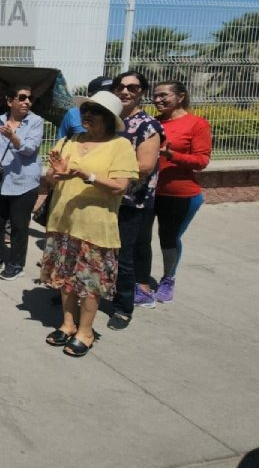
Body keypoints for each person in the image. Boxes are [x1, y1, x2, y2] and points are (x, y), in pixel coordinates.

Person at [41, 91, 137, 357]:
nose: (88, 116)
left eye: (94, 112)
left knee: (89, 283)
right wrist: (55, 174)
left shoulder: (120, 146)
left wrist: (88, 175)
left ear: (109, 119)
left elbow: (120, 187)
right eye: (86, 111)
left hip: (95, 227)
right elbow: (51, 179)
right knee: (64, 278)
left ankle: (86, 331)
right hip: (63, 221)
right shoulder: (68, 140)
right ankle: (68, 324)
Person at [108, 71, 164, 330]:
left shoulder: (148, 126)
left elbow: (144, 166)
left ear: (142, 91)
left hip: (131, 201)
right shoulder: (109, 121)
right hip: (102, 196)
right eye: (120, 86)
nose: (125, 92)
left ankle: (122, 307)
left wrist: (109, 164)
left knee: (123, 256)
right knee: (96, 251)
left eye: (133, 87)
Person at [152, 81, 212, 303]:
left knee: (168, 237)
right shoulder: (153, 123)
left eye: (163, 95)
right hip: (149, 193)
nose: (157, 100)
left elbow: (201, 161)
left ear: (180, 97)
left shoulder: (197, 124)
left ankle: (168, 278)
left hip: (180, 195)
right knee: (137, 238)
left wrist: (171, 155)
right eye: (155, 96)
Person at [0, 85, 45, 281]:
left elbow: (30, 149)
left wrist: (13, 137)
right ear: (10, 101)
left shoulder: (35, 121)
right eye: (22, 97)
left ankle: (16, 264)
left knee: (19, 225)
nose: (27, 102)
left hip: (24, 180)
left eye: (29, 98)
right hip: (1, 179)